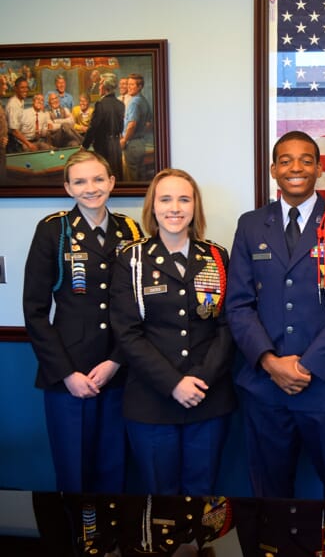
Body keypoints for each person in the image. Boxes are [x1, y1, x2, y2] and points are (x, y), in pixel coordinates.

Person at [226, 130, 325, 500]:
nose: (296, 168)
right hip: (264, 387)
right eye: (286, 160)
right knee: (269, 496)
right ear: (273, 169)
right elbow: (238, 303)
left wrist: (307, 366)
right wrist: (270, 362)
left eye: (306, 160)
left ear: (320, 168)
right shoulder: (251, 224)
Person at [110, 168, 236, 495]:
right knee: (160, 500)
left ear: (195, 206)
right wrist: (174, 383)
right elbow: (127, 333)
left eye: (184, 199)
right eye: (165, 199)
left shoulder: (215, 256)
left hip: (207, 399)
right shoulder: (132, 259)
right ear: (153, 206)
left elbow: (226, 326)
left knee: (202, 495)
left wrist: (200, 379)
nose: (175, 208)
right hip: (151, 402)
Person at [22, 150, 143, 493]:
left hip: (118, 372)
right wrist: (66, 374)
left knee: (115, 471)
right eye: (80, 181)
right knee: (74, 476)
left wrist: (116, 361)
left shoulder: (130, 229)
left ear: (112, 182)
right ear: (68, 188)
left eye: (98, 179)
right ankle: (77, 545)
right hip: (69, 375)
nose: (90, 188)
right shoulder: (53, 231)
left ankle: (111, 546)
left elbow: (137, 305)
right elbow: (34, 310)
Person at [82, 73, 125, 181]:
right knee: (116, 176)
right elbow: (120, 128)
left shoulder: (100, 104)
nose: (99, 87)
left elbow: (93, 128)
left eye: (100, 84)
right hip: (116, 146)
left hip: (103, 147)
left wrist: (84, 146)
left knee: (104, 176)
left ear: (105, 87)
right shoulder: (120, 104)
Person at [121, 73, 154, 181]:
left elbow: (131, 125)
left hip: (132, 145)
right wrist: (139, 132)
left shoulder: (134, 102)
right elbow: (149, 124)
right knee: (140, 176)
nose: (128, 87)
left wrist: (125, 140)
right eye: (128, 84)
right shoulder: (144, 101)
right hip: (141, 144)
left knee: (132, 179)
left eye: (132, 85)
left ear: (140, 87)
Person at [6, 76, 33, 152]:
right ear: (16, 89)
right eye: (22, 88)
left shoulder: (21, 101)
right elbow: (14, 131)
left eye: (26, 87)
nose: (25, 90)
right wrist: (28, 144)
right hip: (11, 142)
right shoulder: (13, 105)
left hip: (17, 139)